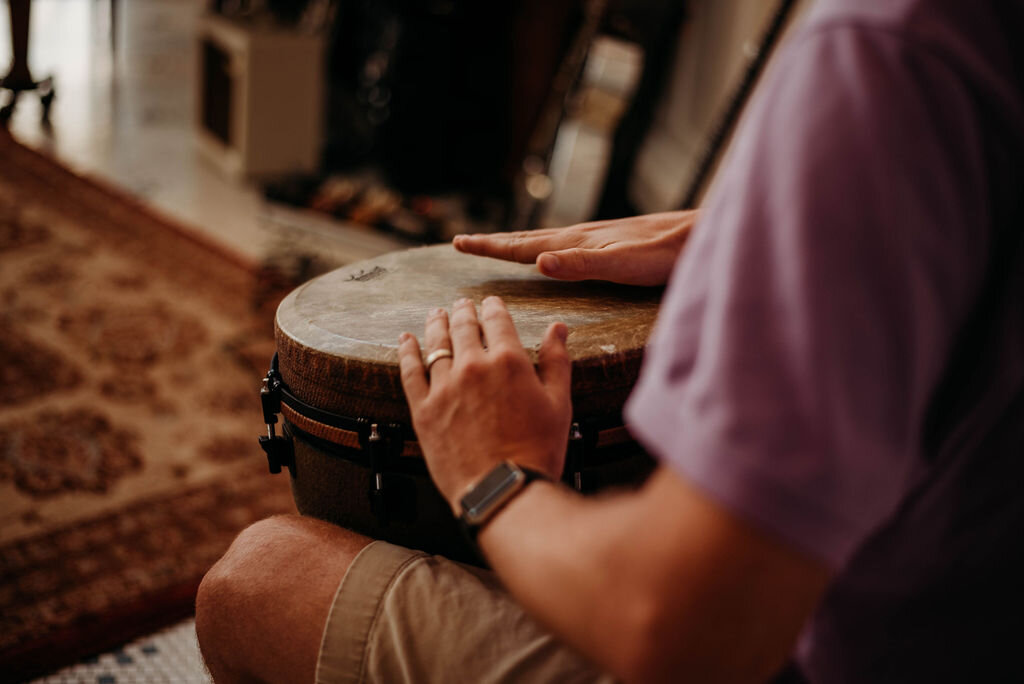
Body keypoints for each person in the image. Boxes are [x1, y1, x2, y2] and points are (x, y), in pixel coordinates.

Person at [195, 0, 1024, 681]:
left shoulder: (897, 47)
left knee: (256, 579)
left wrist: (497, 477)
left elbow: (682, 631)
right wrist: (757, 227)